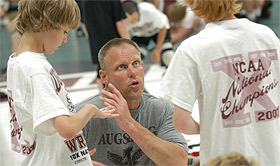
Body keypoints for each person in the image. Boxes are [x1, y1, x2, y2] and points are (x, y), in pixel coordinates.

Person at [158, 0, 280, 165]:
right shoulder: (267, 35)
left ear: (194, 4)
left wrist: (208, 127)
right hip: (272, 154)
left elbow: (178, 120)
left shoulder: (192, 48)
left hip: (224, 156)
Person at [6, 0, 119, 165]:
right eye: (65, 31)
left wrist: (75, 157)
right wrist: (91, 109)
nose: (65, 39)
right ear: (46, 24)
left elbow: (43, 127)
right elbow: (67, 129)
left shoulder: (18, 62)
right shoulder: (34, 69)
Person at [75, 38, 188, 165]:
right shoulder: (83, 116)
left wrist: (129, 124)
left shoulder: (161, 110)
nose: (133, 72)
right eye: (121, 67)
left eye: (136, 63)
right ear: (104, 77)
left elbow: (179, 162)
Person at [79, 0, 130, 91]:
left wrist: (92, 40)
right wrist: (128, 43)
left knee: (102, 71)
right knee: (121, 69)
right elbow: (120, 23)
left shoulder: (85, 2)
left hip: (97, 43)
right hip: (115, 43)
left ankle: (104, 97)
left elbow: (84, 25)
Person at [122, 0, 174, 67]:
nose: (134, 23)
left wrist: (157, 49)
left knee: (168, 54)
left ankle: (173, 72)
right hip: (140, 35)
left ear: (138, 11)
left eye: (135, 18)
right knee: (134, 58)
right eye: (131, 21)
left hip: (157, 31)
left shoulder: (148, 10)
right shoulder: (121, 20)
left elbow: (163, 27)